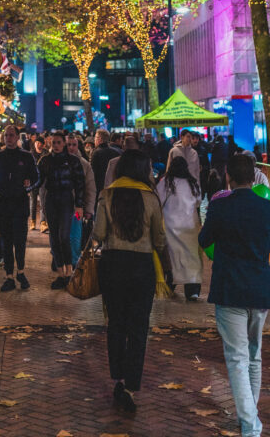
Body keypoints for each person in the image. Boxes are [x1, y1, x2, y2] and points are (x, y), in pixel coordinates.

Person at [198, 152, 270, 437]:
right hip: (260, 288)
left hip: (229, 288)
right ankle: (249, 416)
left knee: (237, 357)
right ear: (253, 177)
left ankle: (250, 424)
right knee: (254, 355)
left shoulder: (220, 208)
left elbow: (203, 239)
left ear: (228, 178)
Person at [93, 148, 167, 413]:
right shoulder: (151, 198)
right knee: (138, 327)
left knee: (116, 323)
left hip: (113, 264)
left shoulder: (107, 194)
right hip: (141, 267)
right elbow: (160, 239)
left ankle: (118, 376)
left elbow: (99, 233)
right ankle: (131, 384)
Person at [0, 124, 39, 292]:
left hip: (20, 205)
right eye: (6, 135)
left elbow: (37, 178)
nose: (8, 138)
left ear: (17, 137)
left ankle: (21, 272)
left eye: (11, 135)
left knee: (20, 241)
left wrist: (26, 188)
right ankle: (9, 276)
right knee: (6, 242)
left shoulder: (27, 156)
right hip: (3, 206)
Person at [38, 131, 85, 289]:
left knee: (63, 236)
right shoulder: (45, 160)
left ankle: (69, 272)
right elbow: (38, 180)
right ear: (50, 143)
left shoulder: (72, 161)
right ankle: (60, 273)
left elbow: (80, 184)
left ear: (63, 143)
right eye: (54, 142)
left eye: (59, 142)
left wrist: (79, 205)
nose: (56, 145)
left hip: (66, 200)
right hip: (51, 199)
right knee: (54, 237)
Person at [157, 156, 203, 301]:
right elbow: (198, 201)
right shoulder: (192, 183)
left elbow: (158, 200)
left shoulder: (166, 183)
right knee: (192, 258)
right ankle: (193, 290)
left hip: (171, 226)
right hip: (190, 226)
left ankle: (169, 285)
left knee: (172, 258)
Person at [65, 132, 96, 264]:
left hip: (77, 208)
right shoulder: (55, 161)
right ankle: (61, 259)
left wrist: (88, 209)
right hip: (59, 207)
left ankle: (73, 261)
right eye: (68, 145)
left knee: (75, 236)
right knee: (61, 235)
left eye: (74, 145)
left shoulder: (84, 164)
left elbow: (90, 188)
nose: (71, 147)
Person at [90, 129, 121, 202]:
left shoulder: (96, 153)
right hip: (114, 186)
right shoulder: (116, 152)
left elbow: (94, 172)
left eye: (95, 137)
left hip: (100, 187)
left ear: (99, 139)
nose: (94, 140)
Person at [29, 134, 46, 230]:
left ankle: (43, 222)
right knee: (33, 201)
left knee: (43, 201)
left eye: (40, 143)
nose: (38, 144)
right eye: (36, 143)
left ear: (43, 145)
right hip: (33, 180)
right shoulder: (30, 154)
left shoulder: (46, 153)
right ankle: (32, 221)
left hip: (43, 180)